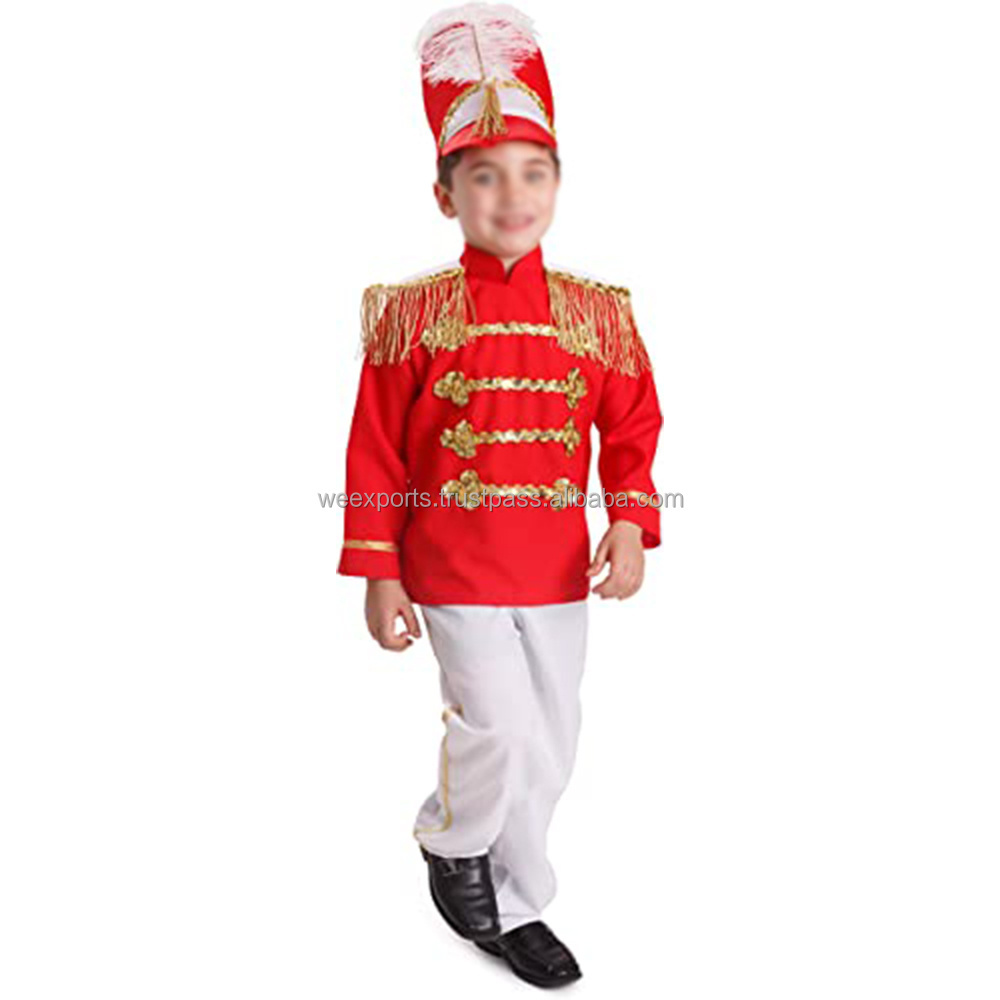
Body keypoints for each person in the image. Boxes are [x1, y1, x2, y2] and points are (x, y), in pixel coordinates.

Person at [337, 3, 664, 988]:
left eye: (532, 172)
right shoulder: (412, 316)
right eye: (483, 175)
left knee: (553, 739)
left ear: (558, 184)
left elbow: (633, 426)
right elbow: (375, 454)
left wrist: (631, 522)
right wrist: (379, 573)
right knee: (498, 726)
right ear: (445, 195)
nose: (510, 195)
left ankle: (514, 891)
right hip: (451, 566)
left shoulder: (597, 316)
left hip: (557, 570)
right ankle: (456, 847)